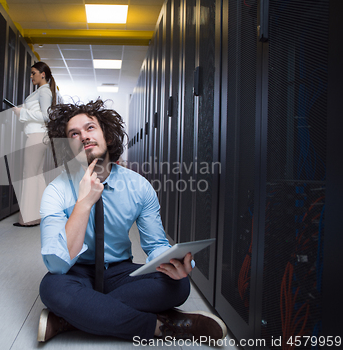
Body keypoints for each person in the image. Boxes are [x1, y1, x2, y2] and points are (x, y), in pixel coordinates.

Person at [37, 99, 227, 343]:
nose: (83, 136)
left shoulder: (138, 186)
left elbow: (155, 244)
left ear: (108, 135)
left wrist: (173, 261)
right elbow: (57, 264)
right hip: (77, 272)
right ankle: (164, 325)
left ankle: (69, 319)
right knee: (52, 288)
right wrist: (83, 203)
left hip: (119, 272)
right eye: (74, 134)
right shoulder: (56, 190)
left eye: (90, 128)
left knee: (177, 285)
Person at [12, 61, 58, 227]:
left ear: (42, 74)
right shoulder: (41, 91)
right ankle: (41, 214)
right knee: (36, 175)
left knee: (29, 174)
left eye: (33, 73)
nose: (31, 76)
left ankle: (29, 219)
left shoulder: (44, 92)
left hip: (37, 135)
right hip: (38, 135)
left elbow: (46, 117)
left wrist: (21, 112)